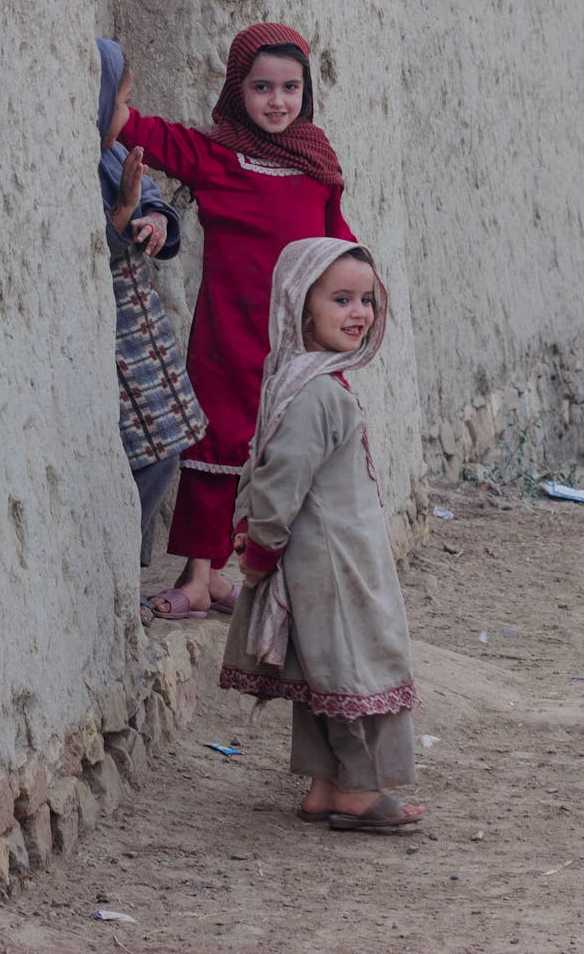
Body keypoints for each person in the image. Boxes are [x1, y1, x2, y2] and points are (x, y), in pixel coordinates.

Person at [114, 23, 356, 619]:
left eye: (290, 87)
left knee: (291, 448)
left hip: (295, 343)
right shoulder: (218, 156)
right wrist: (107, 91)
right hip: (228, 333)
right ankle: (201, 576)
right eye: (261, 87)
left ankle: (262, 576)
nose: (277, 101)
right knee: (214, 450)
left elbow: (337, 239)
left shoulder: (317, 161)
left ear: (307, 91)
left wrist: (358, 295)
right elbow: (144, 133)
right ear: (236, 92)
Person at [220, 237, 423, 833]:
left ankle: (324, 788)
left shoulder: (308, 381)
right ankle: (359, 793)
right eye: (340, 299)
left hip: (331, 562)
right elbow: (279, 480)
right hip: (335, 568)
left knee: (323, 676)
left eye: (366, 299)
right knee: (358, 671)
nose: (358, 313)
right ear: (300, 305)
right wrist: (260, 549)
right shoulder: (314, 393)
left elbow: (266, 467)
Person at [96, 38, 207, 624]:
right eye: (121, 103)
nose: (125, 116)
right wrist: (123, 213)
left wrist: (155, 221)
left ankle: (127, 563)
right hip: (114, 338)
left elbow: (157, 199)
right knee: (148, 445)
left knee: (170, 438)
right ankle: (115, 568)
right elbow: (91, 245)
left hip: (144, 331)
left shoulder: (114, 155)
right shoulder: (83, 164)